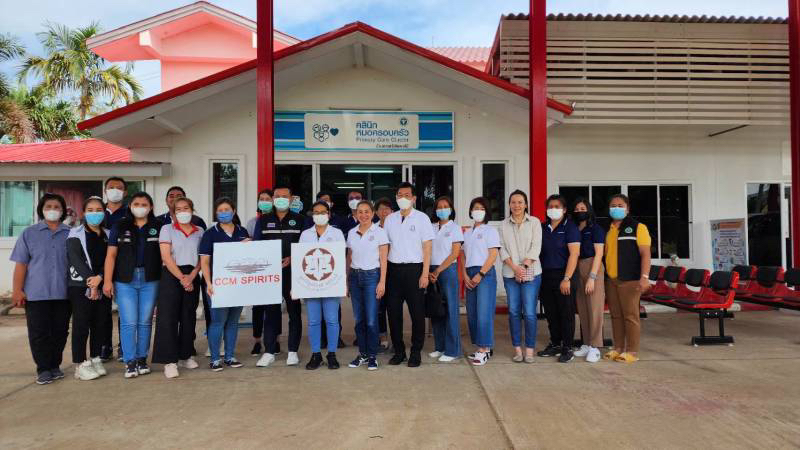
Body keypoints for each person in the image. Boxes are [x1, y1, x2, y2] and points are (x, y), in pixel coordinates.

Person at [10, 193, 71, 385]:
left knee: (60, 331)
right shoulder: (29, 233)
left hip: (63, 293)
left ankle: (55, 365)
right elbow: (21, 264)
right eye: (48, 207)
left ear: (63, 211)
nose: (52, 210)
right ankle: (43, 368)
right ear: (41, 210)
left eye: (57, 207)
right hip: (36, 293)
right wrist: (17, 290)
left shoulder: (71, 233)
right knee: (39, 333)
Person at [103, 192, 162, 378]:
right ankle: (129, 361)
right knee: (129, 322)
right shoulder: (119, 226)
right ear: (130, 206)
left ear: (151, 207)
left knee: (145, 321)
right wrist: (107, 281)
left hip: (150, 279)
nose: (140, 207)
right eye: (136, 204)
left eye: (144, 204)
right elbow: (111, 255)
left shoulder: (159, 226)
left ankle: (142, 359)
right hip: (124, 280)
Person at [253, 184, 305, 367]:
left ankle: (293, 351)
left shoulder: (300, 220)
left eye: (285, 196)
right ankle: (269, 351)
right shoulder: (263, 220)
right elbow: (257, 244)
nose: (281, 199)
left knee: (294, 312)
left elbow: (305, 246)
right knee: (271, 312)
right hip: (271, 274)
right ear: (273, 199)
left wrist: (293, 257)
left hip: (293, 274)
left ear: (291, 199)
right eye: (277, 196)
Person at [383, 182, 434, 367]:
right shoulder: (390, 219)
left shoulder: (422, 218)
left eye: (407, 195)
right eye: (399, 195)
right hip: (393, 271)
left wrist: (425, 274)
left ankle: (415, 351)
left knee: (417, 314)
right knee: (393, 314)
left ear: (413, 198)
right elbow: (385, 247)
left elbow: (427, 248)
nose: (403, 198)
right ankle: (399, 351)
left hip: (415, 270)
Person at [152, 197, 204, 378]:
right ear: (173, 213)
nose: (183, 211)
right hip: (172, 274)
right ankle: (170, 361)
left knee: (188, 316)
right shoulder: (167, 229)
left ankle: (185, 355)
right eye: (178, 209)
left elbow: (202, 258)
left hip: (192, 275)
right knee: (168, 318)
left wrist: (192, 275)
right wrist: (182, 278)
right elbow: (166, 257)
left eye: (186, 208)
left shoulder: (200, 231)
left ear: (192, 210)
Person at [199, 197, 249, 371]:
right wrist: (208, 283)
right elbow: (205, 261)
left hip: (238, 285)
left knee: (233, 322)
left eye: (226, 209)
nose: (223, 213)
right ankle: (215, 359)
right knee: (217, 322)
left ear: (234, 211)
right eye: (220, 210)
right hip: (218, 285)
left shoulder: (242, 231)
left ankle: (229, 356)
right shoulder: (210, 233)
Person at [66, 196, 111, 380]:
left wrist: (100, 278)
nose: (95, 214)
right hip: (80, 285)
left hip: (103, 283)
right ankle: (80, 364)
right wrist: (91, 282)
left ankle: (95, 358)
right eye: (90, 210)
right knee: (81, 324)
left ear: (104, 212)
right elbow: (75, 259)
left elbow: (111, 260)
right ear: (84, 213)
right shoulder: (74, 233)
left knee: (100, 323)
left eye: (98, 210)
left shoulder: (108, 234)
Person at [604, 194, 651, 363]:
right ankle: (618, 348)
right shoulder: (609, 229)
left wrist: (644, 277)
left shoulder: (638, 227)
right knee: (615, 315)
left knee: (630, 316)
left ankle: (632, 351)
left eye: (620, 205)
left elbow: (645, 254)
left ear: (627, 209)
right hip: (611, 279)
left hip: (630, 279)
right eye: (613, 205)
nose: (616, 208)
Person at [299, 201, 345, 370]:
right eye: (316, 212)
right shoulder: (305, 234)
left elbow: (341, 258)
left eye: (323, 212)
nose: (319, 215)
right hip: (310, 284)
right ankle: (316, 354)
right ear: (312, 215)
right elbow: (299, 259)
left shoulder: (337, 233)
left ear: (329, 214)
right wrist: (296, 285)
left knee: (332, 320)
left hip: (331, 283)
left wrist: (343, 282)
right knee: (313, 321)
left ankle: (332, 354)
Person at [499, 190, 542, 363]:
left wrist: (523, 268)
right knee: (513, 311)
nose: (516, 205)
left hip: (531, 272)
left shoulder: (534, 222)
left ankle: (529, 350)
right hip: (510, 274)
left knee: (530, 312)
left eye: (520, 202)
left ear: (526, 204)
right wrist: (515, 268)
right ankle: (517, 349)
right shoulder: (503, 225)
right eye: (513, 202)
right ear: (509, 205)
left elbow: (536, 246)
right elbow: (502, 248)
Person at [537, 194, 581, 363]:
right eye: (550, 206)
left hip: (565, 275)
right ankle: (555, 343)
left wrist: (567, 278)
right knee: (551, 312)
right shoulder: (542, 227)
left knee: (566, 312)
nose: (553, 209)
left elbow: (574, 254)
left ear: (564, 210)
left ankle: (567, 347)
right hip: (546, 275)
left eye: (557, 206)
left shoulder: (570, 227)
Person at [346, 200, 389, 371]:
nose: (363, 215)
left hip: (372, 277)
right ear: (356, 214)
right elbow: (349, 257)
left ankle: (372, 356)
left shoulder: (379, 232)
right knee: (359, 319)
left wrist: (382, 282)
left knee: (371, 320)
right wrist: (346, 280)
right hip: (355, 278)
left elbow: (384, 259)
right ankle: (363, 354)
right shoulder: (351, 232)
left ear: (372, 213)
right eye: (360, 212)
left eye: (367, 211)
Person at [462, 197, 501, 366]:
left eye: (481, 208)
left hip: (485, 273)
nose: (478, 211)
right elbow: (463, 255)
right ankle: (481, 346)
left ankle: (484, 349)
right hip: (469, 273)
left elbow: (493, 255)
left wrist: (481, 274)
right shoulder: (467, 232)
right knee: (472, 312)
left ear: (486, 212)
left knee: (484, 312)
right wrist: (464, 275)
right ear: (471, 211)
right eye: (475, 208)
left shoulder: (490, 231)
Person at [428, 196, 463, 362]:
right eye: (439, 207)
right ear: (435, 210)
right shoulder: (431, 227)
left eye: (445, 206)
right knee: (436, 309)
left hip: (447, 270)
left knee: (450, 310)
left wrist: (438, 270)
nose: (442, 209)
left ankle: (452, 350)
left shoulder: (455, 228)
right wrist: (430, 271)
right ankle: (439, 347)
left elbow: (455, 253)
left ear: (451, 209)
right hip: (432, 271)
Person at [571, 198, 606, 363]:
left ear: (589, 210)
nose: (580, 211)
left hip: (593, 266)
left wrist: (592, 277)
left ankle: (595, 346)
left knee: (594, 308)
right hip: (577, 267)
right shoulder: (574, 228)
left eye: (583, 208)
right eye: (577, 209)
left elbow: (599, 253)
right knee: (583, 308)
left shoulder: (595, 229)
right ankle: (586, 343)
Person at [102, 176, 127, 361]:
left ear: (125, 192)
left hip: (123, 266)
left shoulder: (130, 213)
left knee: (124, 310)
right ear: (105, 191)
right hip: (98, 267)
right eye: (111, 187)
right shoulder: (96, 211)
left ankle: (124, 346)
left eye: (119, 187)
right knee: (102, 310)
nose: (115, 190)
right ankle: (105, 345)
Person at [246, 189, 274, 356]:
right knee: (257, 307)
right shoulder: (252, 222)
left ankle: (275, 340)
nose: (264, 201)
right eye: (261, 199)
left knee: (273, 306)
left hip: (275, 268)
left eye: (267, 199)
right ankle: (257, 341)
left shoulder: (277, 220)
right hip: (257, 269)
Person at [373, 196, 394, 351]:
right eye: (381, 209)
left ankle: (396, 339)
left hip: (394, 272)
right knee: (379, 307)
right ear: (376, 212)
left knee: (393, 307)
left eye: (387, 209)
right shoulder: (373, 229)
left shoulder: (397, 228)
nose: (384, 211)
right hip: (376, 272)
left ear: (392, 211)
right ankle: (382, 338)